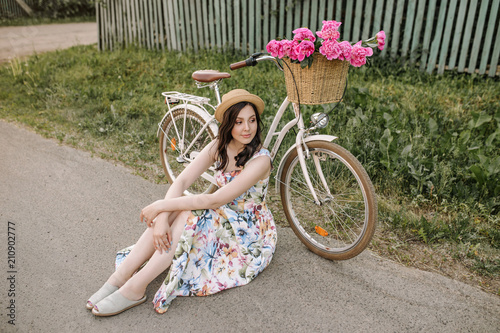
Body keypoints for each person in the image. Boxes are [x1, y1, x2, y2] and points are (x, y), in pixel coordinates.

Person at [86, 89, 277, 316]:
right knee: (182, 209)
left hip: (246, 228)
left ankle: (135, 288)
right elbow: (183, 179)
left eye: (252, 120)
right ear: (228, 124)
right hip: (219, 214)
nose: (247, 128)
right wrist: (162, 220)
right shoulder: (219, 146)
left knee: (188, 212)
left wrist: (160, 207)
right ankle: (119, 277)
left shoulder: (261, 159)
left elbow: (215, 198)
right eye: (239, 122)